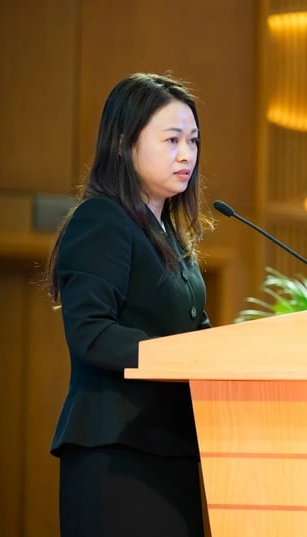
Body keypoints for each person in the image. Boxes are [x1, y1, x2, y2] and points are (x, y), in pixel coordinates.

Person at [44, 72, 214, 537]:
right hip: (116, 454)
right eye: (172, 140)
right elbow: (91, 333)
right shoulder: (103, 218)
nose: (187, 155)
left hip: (168, 448)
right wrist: (182, 355)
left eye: (193, 141)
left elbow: (193, 333)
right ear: (124, 142)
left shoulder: (172, 237)